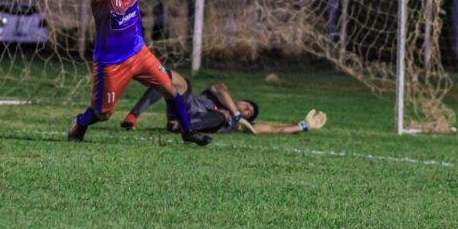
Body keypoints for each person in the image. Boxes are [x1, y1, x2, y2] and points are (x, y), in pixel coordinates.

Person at [67, 0, 210, 145]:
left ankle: (188, 133)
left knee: (170, 89)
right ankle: (79, 123)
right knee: (104, 114)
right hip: (111, 63)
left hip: (139, 53)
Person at [122, 69, 327, 136]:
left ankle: (183, 127)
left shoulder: (235, 122)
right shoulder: (219, 94)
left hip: (189, 124)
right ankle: (133, 115)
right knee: (168, 77)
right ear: (239, 100)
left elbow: (273, 128)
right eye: (247, 105)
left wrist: (303, 126)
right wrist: (236, 113)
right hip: (182, 107)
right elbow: (219, 88)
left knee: (222, 117)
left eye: (249, 113)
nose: (246, 110)